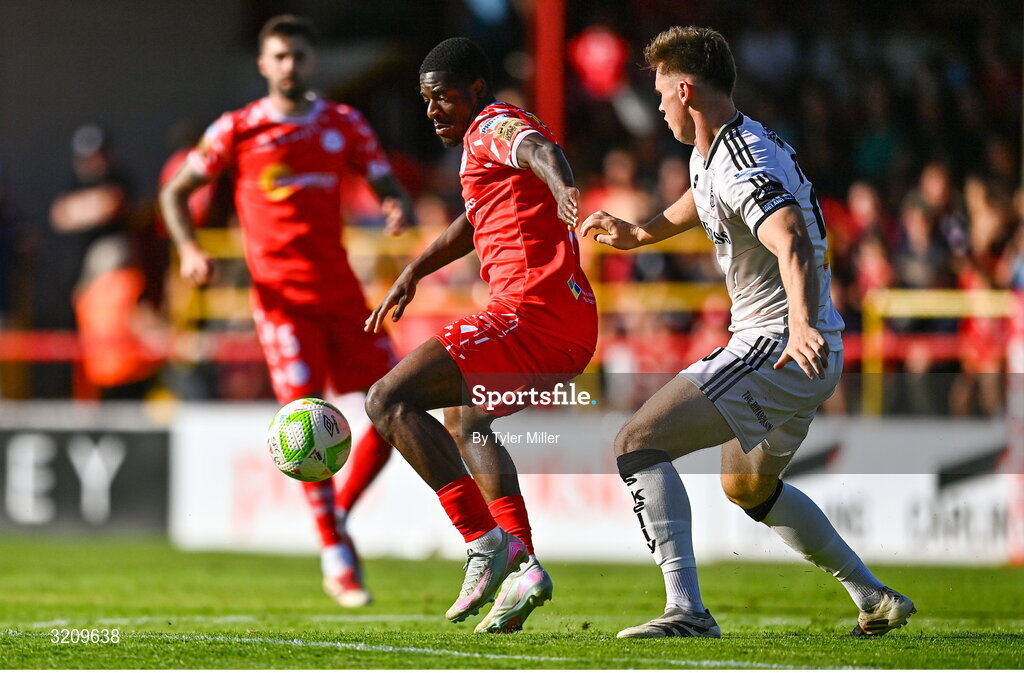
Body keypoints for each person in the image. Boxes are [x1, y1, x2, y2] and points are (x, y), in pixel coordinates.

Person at [580, 26, 916, 638]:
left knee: (636, 442)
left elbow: (786, 232)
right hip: (809, 348)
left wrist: (800, 325)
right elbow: (700, 199)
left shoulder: (739, 157)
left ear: (685, 90)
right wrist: (640, 233)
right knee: (746, 484)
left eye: (660, 93)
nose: (657, 106)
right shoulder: (720, 148)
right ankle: (873, 596)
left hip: (777, 345)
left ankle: (686, 611)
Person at [159, 14, 415, 608]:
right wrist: (190, 248)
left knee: (393, 406)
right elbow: (174, 192)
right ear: (262, 64)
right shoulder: (238, 129)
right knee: (303, 424)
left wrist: (395, 206)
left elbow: (384, 181)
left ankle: (338, 518)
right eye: (279, 56)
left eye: (298, 55)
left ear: (312, 61)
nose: (289, 66)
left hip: (344, 298)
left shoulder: (342, 123)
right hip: (281, 304)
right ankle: (337, 555)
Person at [363, 37, 597, 632]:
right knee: (466, 421)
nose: (432, 110)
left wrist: (564, 185)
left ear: (474, 89)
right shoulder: (486, 146)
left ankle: (482, 541)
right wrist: (414, 269)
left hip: (530, 314)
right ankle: (522, 564)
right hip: (567, 326)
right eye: (425, 100)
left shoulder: (491, 125)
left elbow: (539, 150)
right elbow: (476, 220)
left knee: (387, 399)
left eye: (442, 96)